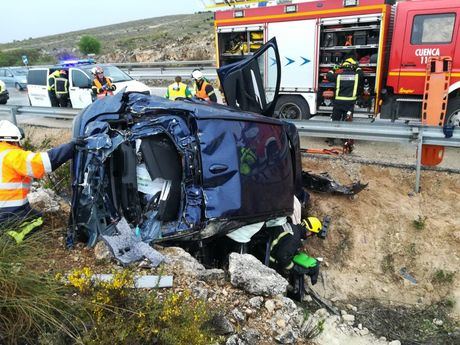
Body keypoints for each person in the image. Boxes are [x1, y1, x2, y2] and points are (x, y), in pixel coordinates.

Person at [0, 120, 75, 243]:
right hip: (9, 212)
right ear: (14, 139)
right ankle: (10, 237)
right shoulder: (12, 155)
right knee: (37, 219)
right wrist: (71, 147)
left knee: (32, 212)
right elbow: (44, 162)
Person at [268, 216, 322, 285]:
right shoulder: (294, 238)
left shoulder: (292, 227)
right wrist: (298, 269)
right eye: (313, 234)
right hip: (268, 258)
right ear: (309, 232)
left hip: (264, 247)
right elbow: (283, 258)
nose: (311, 236)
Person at [326, 56, 363, 149]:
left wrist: (334, 69)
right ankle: (345, 140)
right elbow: (360, 72)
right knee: (347, 122)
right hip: (349, 104)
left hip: (338, 103)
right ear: (352, 67)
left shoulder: (338, 75)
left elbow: (328, 75)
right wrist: (357, 67)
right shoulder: (357, 76)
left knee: (335, 120)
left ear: (343, 66)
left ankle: (331, 140)